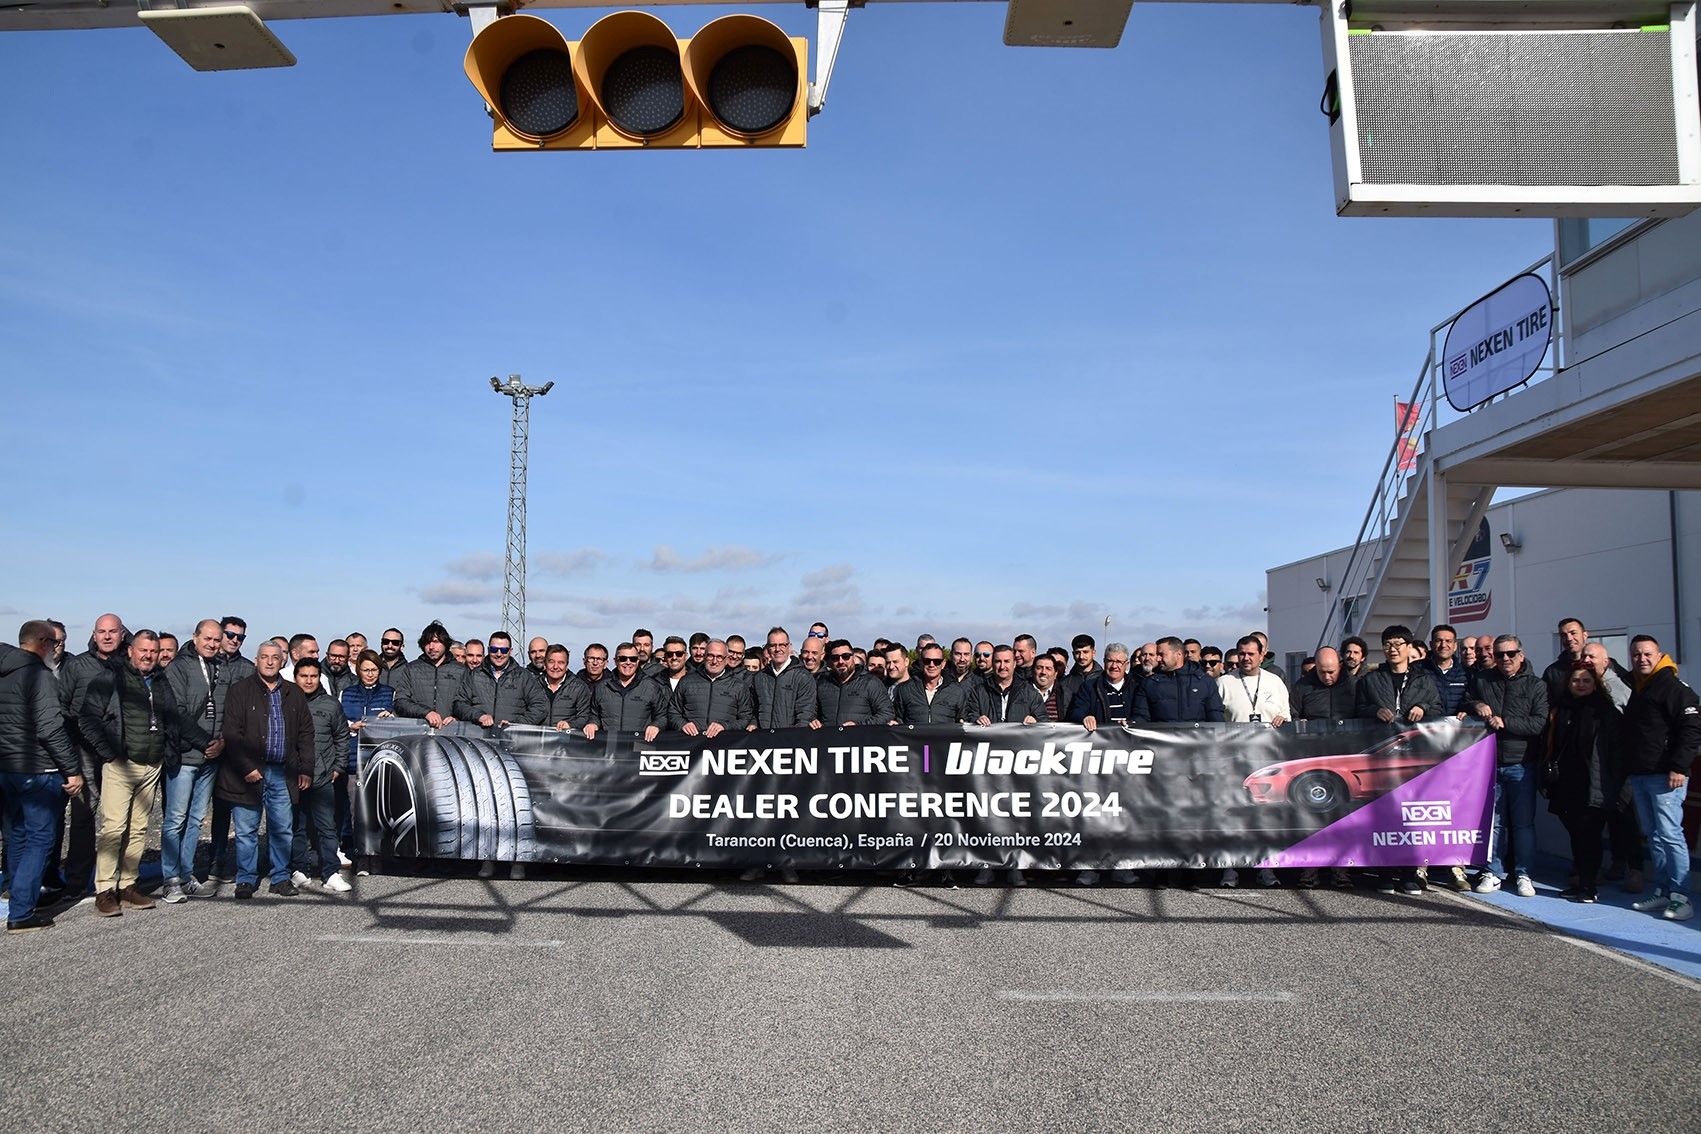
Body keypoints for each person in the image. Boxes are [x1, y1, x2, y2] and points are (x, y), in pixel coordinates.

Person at [81, 629, 180, 917]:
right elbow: (87, 718)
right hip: (121, 764)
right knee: (113, 828)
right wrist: (109, 753)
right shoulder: (111, 677)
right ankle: (104, 889)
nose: (148, 656)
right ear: (130, 651)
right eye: (143, 650)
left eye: (153, 651)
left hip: (151, 764)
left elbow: (173, 717)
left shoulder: (160, 680)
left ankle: (128, 885)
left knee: (138, 828)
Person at [1, 621, 84, 933]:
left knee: (17, 835)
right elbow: (50, 728)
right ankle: (22, 911)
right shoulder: (40, 676)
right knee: (40, 839)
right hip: (39, 769)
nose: (57, 649)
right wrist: (72, 769)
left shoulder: (5, 673)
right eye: (54, 643)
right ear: (42, 642)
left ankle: (19, 898)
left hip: (7, 767)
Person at [218, 641, 313, 899]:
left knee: (282, 828)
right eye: (264, 657)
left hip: (283, 772)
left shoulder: (294, 692)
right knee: (246, 830)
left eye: (275, 657)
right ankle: (246, 878)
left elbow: (305, 733)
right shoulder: (240, 691)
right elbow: (232, 733)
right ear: (256, 660)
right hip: (249, 773)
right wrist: (246, 767)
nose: (270, 662)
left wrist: (306, 768)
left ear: (282, 661)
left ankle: (280, 877)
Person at [1354, 626, 1441, 895]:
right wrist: (1374, 710)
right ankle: (1383, 872)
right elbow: (1357, 710)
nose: (1393, 649)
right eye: (1388, 644)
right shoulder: (1371, 679)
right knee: (1382, 814)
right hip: (1382, 755)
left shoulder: (1424, 680)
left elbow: (1439, 709)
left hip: (1414, 756)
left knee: (1410, 816)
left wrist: (1423, 708)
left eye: (1398, 643)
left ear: (1409, 647)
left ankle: (1409, 873)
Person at [1464, 634, 1549, 898]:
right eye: (1500, 654)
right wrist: (1476, 704)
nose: (1505, 659)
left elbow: (1539, 723)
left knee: (1523, 825)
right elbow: (1465, 700)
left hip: (1522, 765)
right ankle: (1493, 871)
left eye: (1510, 653)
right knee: (1494, 824)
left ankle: (1523, 874)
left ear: (1521, 655)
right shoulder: (1482, 680)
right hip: (1489, 764)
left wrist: (1506, 722)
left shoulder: (1536, 685)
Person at [1620, 635, 1698, 921]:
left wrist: (1679, 766)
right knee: (1654, 836)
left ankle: (1681, 896)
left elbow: (1691, 729)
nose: (1642, 659)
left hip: (1666, 776)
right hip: (1641, 773)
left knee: (1670, 834)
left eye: (1647, 654)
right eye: (1636, 654)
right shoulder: (1638, 687)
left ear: (1659, 655)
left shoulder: (1674, 687)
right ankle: (1664, 891)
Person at [159, 619, 234, 901]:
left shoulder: (221, 667)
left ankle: (186, 874)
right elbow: (176, 712)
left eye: (216, 640)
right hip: (187, 754)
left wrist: (222, 742)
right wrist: (206, 743)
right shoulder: (179, 667)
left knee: (195, 819)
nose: (212, 644)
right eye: (208, 639)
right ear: (195, 637)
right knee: (175, 818)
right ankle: (170, 879)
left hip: (212, 758)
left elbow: (226, 710)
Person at [1543, 664, 1621, 903]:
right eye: (1576, 680)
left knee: (1590, 835)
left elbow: (1615, 751)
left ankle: (1589, 886)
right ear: (1568, 683)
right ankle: (1580, 881)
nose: (1581, 684)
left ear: (1595, 684)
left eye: (1587, 680)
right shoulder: (1561, 709)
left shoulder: (1604, 711)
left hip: (1593, 783)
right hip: (1566, 782)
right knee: (1576, 834)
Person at [286, 658, 351, 894]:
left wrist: (338, 767)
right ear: (296, 677)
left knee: (327, 827)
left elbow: (342, 737)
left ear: (319, 677)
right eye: (304, 676)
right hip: (292, 776)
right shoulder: (285, 702)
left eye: (313, 676)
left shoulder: (331, 705)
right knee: (297, 826)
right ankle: (299, 870)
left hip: (322, 776)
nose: (309, 680)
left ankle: (330, 872)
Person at [339, 649, 394, 872]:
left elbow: (399, 724)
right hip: (353, 759)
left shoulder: (390, 693)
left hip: (379, 760)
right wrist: (351, 727)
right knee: (356, 811)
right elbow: (338, 722)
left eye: (374, 670)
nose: (370, 674)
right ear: (358, 670)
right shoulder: (346, 693)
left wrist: (391, 718)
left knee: (377, 810)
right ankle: (361, 855)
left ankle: (377, 855)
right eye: (365, 670)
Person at [454, 630, 547, 727]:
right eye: (494, 649)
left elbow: (540, 707)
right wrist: (478, 716)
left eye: (504, 650)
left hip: (511, 735)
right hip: (479, 734)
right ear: (489, 650)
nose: (499, 654)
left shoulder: (524, 677)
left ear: (510, 651)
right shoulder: (474, 675)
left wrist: (516, 724)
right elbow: (459, 704)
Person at [585, 644, 668, 743]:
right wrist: (593, 723)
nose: (628, 662)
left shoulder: (651, 686)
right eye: (623, 659)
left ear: (638, 661)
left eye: (632, 659)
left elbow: (662, 715)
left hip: (640, 745)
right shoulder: (602, 687)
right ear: (615, 661)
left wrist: (656, 725)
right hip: (610, 746)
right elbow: (594, 714)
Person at [1132, 638, 1223, 724]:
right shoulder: (1150, 683)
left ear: (1178, 654)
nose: (1158, 659)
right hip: (1163, 735)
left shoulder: (1205, 682)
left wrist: (1220, 733)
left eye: (1161, 654)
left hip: (1197, 735)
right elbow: (1141, 716)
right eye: (1158, 655)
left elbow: (1215, 717)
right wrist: (1132, 724)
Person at [671, 639, 752, 735]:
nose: (714, 661)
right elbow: (673, 711)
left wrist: (725, 726)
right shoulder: (686, 681)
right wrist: (682, 724)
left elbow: (745, 718)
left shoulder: (739, 686)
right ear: (704, 656)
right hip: (691, 740)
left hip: (724, 741)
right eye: (710, 656)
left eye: (719, 657)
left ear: (726, 659)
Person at [392, 622, 462, 729]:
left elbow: (468, 703)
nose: (431, 647)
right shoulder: (411, 669)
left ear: (445, 643)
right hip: (418, 731)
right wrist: (426, 713)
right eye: (427, 643)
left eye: (436, 642)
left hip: (450, 731)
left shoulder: (461, 671)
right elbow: (400, 702)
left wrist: (457, 717)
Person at [751, 627, 819, 730]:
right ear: (768, 648)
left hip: (790, 738)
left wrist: (791, 737)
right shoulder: (759, 678)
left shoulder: (803, 677)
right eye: (773, 645)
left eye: (782, 645)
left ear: (789, 647)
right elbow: (753, 710)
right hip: (762, 737)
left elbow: (805, 716)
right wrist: (753, 723)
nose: (777, 649)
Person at [1217, 635, 1289, 726]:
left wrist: (1283, 719)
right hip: (1236, 735)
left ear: (1261, 656)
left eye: (1251, 654)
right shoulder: (1223, 683)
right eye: (1242, 654)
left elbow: (1286, 715)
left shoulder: (1276, 682)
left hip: (1270, 735)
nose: (1246, 658)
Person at [815, 640, 890, 726]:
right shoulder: (822, 683)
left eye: (845, 656)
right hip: (829, 734)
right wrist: (813, 720)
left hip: (860, 734)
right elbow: (811, 711)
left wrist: (859, 726)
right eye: (835, 658)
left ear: (853, 658)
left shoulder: (870, 683)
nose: (841, 661)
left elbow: (887, 713)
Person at [893, 643, 972, 725]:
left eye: (937, 661)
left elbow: (962, 721)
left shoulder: (957, 691)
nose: (931, 665)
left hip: (946, 734)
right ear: (921, 662)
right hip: (914, 733)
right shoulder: (905, 689)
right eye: (927, 661)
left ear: (943, 664)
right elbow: (898, 719)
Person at [1068, 643, 1139, 729]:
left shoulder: (1137, 687)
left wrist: (1133, 722)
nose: (1114, 666)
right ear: (1104, 662)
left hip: (1130, 737)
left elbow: (1143, 715)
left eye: (1119, 662)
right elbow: (1077, 711)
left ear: (1127, 664)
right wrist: (1084, 717)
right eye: (1110, 661)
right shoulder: (1089, 687)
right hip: (1100, 737)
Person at [969, 645, 1043, 725]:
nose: (1002, 666)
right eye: (998, 661)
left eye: (1006, 661)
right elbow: (970, 715)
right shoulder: (978, 692)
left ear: (1014, 664)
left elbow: (1043, 719)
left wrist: (1036, 720)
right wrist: (976, 719)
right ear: (992, 664)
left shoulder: (1030, 692)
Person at [1289, 646, 1357, 722]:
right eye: (1322, 672)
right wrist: (1298, 721)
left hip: (1349, 729)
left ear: (1339, 666)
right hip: (1313, 729)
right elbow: (1292, 713)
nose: (1327, 677)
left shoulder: (1354, 685)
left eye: (1331, 672)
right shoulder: (1302, 686)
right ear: (1316, 666)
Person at [1422, 624, 1472, 717]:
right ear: (1431, 644)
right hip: (1427, 724)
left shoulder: (1466, 673)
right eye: (1438, 641)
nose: (1443, 645)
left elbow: (1470, 700)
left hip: (1457, 725)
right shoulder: (1418, 670)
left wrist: (1468, 711)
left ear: (1455, 646)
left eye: (1448, 641)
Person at [539, 645, 593, 731]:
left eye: (561, 662)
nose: (555, 666)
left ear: (567, 665)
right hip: (537, 737)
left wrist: (570, 724)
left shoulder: (579, 688)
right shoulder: (534, 685)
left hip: (566, 738)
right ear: (545, 664)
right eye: (551, 662)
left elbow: (585, 716)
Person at [1030, 654, 1069, 722]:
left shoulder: (1067, 695)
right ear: (1032, 671)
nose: (1043, 672)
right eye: (1039, 668)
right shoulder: (1020, 692)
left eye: (1048, 669)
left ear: (1055, 674)